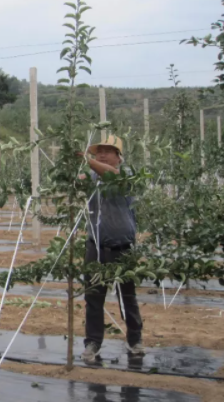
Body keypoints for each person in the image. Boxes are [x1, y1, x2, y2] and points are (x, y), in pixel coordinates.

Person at [79, 135, 144, 363]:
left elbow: (112, 175)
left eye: (108, 151)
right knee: (94, 297)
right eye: (99, 151)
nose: (102, 154)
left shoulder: (125, 174)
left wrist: (87, 161)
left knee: (128, 297)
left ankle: (135, 340)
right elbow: (75, 180)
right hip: (95, 247)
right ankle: (92, 343)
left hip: (123, 248)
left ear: (119, 157)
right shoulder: (90, 176)